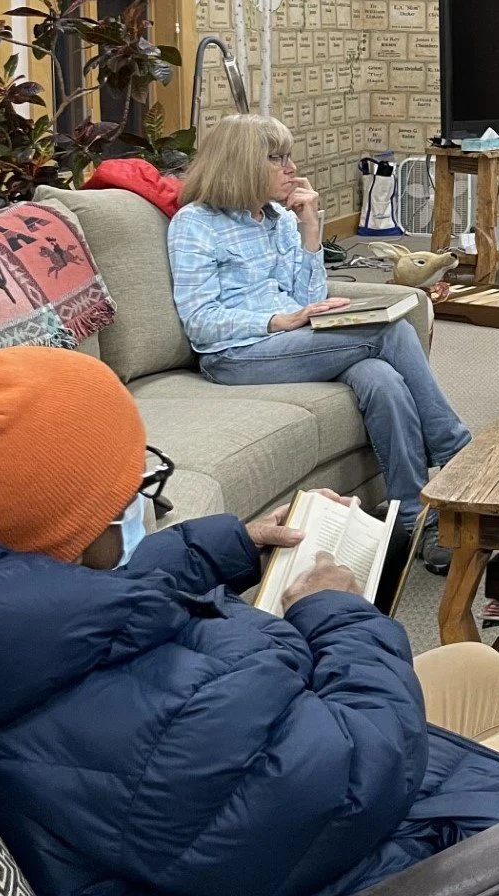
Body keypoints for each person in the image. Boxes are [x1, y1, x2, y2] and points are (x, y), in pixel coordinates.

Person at [0, 347, 499, 896]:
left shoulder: (7, 626)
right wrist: (339, 615)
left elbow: (97, 597)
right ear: (61, 528)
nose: (143, 501)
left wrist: (229, 546)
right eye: (131, 489)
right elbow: (344, 791)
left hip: (232, 851)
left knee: (477, 669)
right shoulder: (115, 704)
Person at [166, 114, 468, 573]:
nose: (291, 167)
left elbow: (310, 299)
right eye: (277, 158)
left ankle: (411, 517)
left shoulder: (279, 220)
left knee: (380, 376)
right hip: (236, 356)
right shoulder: (196, 224)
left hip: (297, 339)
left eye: (289, 155)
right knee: (390, 332)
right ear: (242, 163)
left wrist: (309, 231)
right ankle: (459, 453)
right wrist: (279, 319)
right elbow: (201, 323)